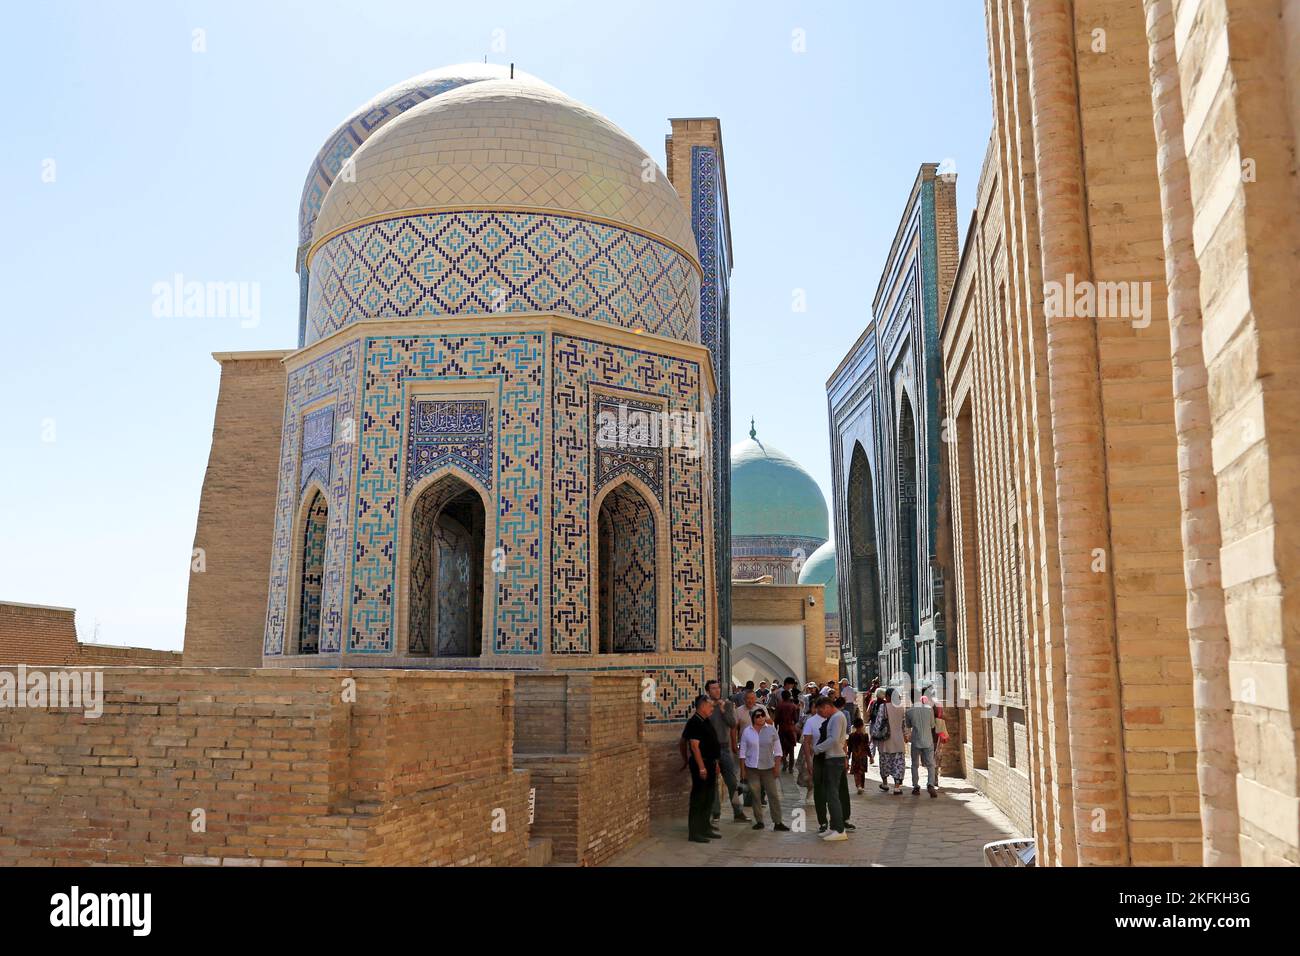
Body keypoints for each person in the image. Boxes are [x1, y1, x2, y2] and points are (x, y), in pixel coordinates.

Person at [739, 707, 790, 831]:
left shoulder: (772, 730)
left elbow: (778, 751)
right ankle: (759, 821)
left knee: (773, 795)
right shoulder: (747, 731)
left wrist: (777, 767)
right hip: (752, 768)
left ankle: (778, 822)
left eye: (762, 715)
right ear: (753, 718)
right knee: (755, 796)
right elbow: (742, 752)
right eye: (757, 716)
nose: (761, 718)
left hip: (768, 768)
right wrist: (743, 770)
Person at [705, 679, 748, 823]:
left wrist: (723, 710)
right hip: (710, 749)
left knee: (732, 781)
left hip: (724, 747)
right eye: (713, 689)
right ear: (708, 691)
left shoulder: (728, 705)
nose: (716, 691)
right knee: (713, 782)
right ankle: (715, 812)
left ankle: (738, 812)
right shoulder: (705, 706)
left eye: (718, 688)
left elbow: (732, 724)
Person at [681, 694, 722, 843]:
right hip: (702, 765)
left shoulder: (706, 720)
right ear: (702, 706)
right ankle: (695, 832)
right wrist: (702, 767)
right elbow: (694, 746)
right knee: (699, 798)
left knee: (709, 797)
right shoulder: (694, 723)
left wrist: (715, 763)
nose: (712, 708)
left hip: (710, 763)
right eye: (710, 705)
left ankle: (705, 827)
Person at [812, 696, 849, 841]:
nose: (821, 713)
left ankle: (839, 830)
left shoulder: (837, 717)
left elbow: (833, 739)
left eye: (821, 710)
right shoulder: (835, 717)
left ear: (827, 706)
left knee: (832, 795)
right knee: (830, 794)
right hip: (832, 758)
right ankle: (833, 827)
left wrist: (818, 749)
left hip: (835, 759)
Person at [873, 687, 908, 794]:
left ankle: (885, 783)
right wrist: (906, 736)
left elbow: (878, 723)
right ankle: (897, 787)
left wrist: (874, 735)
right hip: (898, 740)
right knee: (898, 763)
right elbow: (904, 724)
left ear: (888, 696)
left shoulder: (883, 707)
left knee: (885, 762)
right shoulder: (901, 707)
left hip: (885, 740)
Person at [906, 692, 938, 797]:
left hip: (916, 741)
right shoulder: (929, 710)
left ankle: (916, 786)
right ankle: (930, 784)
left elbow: (908, 725)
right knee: (931, 764)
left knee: (915, 765)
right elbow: (933, 725)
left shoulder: (909, 712)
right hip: (928, 740)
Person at [800, 696, 825, 815]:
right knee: (811, 776)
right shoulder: (809, 720)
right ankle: (811, 793)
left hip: (825, 754)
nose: (816, 710)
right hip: (811, 752)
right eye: (814, 707)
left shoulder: (829, 719)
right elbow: (806, 740)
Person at [776, 689, 800, 773]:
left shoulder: (779, 705)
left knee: (782, 748)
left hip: (782, 729)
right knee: (791, 749)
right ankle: (790, 768)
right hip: (790, 729)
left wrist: (776, 728)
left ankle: (785, 763)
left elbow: (776, 719)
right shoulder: (793, 706)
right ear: (789, 696)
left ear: (782, 697)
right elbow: (796, 719)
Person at [847, 717, 870, 794]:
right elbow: (867, 747)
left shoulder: (851, 736)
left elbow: (849, 748)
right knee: (862, 772)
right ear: (862, 725)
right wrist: (871, 757)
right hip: (863, 757)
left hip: (855, 756)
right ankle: (862, 786)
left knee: (856, 772)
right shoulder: (865, 736)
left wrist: (848, 757)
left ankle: (858, 785)